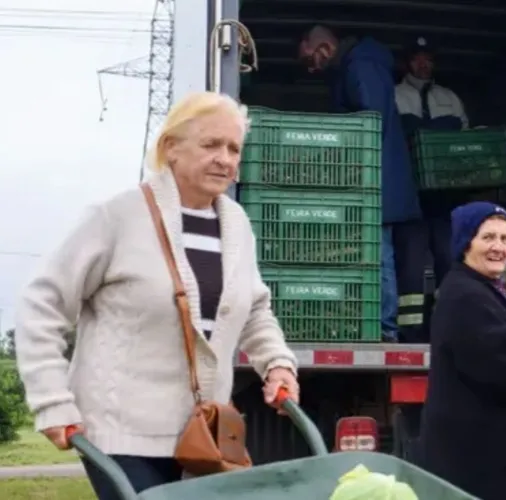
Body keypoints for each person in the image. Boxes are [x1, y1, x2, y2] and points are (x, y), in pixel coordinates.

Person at [13, 91, 300, 499]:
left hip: (203, 436)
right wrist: (51, 401)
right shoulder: (118, 215)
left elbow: (254, 310)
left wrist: (277, 363)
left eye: (234, 148)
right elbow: (41, 305)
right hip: (118, 434)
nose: (225, 158)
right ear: (171, 149)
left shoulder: (236, 224)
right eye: (211, 144)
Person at [415, 201, 506, 500]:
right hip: (471, 459)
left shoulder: (485, 289)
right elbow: (501, 364)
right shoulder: (466, 295)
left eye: (505, 239)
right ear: (465, 243)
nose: (499, 247)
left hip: (486, 453)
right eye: (488, 238)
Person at [298, 25, 423, 342]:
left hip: (377, 180)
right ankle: (376, 325)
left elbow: (371, 120)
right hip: (372, 178)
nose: (311, 68)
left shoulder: (362, 65)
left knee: (378, 254)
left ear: (325, 47)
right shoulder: (355, 66)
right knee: (372, 254)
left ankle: (385, 329)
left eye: (311, 59)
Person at [393, 36, 469, 310]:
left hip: (446, 200)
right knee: (410, 267)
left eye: (428, 58)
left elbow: (466, 144)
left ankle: (446, 323)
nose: (424, 64)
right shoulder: (394, 96)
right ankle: (409, 331)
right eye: (417, 58)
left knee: (449, 263)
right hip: (410, 199)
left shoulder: (450, 98)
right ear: (407, 63)